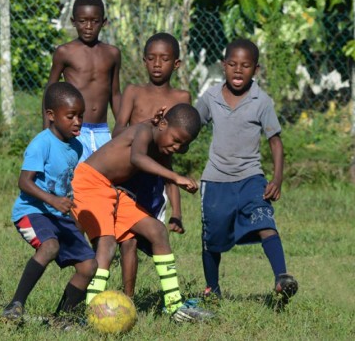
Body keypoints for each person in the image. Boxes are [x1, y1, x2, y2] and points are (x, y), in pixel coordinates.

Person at [72, 104, 214, 322]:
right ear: (163, 124)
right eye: (175, 140)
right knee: (107, 243)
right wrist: (177, 177)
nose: (176, 147)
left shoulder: (160, 139)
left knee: (157, 230)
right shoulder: (144, 131)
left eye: (182, 144)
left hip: (111, 190)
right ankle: (92, 312)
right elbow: (137, 158)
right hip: (90, 182)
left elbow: (167, 155)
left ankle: (175, 305)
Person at [195, 38, 298, 303]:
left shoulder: (261, 101)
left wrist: (276, 178)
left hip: (251, 178)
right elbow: (191, 124)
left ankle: (282, 277)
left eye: (245, 65)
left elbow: (275, 141)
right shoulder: (211, 97)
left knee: (265, 221)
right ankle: (212, 289)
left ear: (256, 69)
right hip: (215, 180)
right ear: (223, 65)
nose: (238, 70)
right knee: (212, 236)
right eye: (232, 64)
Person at [2, 82, 97, 327]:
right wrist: (53, 200)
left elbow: (65, 182)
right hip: (31, 211)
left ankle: (63, 318)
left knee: (89, 265)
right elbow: (24, 182)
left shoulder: (77, 146)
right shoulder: (41, 143)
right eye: (71, 116)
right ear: (51, 115)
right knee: (50, 246)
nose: (78, 121)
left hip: (58, 215)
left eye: (80, 115)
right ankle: (15, 304)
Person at [112, 33, 191, 297]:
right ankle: (128, 299)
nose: (158, 64)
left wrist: (177, 213)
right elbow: (118, 132)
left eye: (165, 59)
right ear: (144, 61)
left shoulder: (182, 97)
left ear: (176, 64)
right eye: (152, 58)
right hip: (128, 178)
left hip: (157, 181)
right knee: (128, 241)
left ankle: (171, 298)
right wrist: (148, 126)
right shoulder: (134, 91)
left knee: (157, 236)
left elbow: (181, 148)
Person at [45, 0, 121, 161]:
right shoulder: (65, 52)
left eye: (94, 21)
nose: (88, 26)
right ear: (73, 22)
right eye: (82, 21)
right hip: (73, 129)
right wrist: (47, 134)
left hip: (103, 131)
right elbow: (50, 93)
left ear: (104, 22)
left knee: (104, 180)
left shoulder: (112, 54)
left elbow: (115, 94)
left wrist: (122, 128)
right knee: (73, 180)